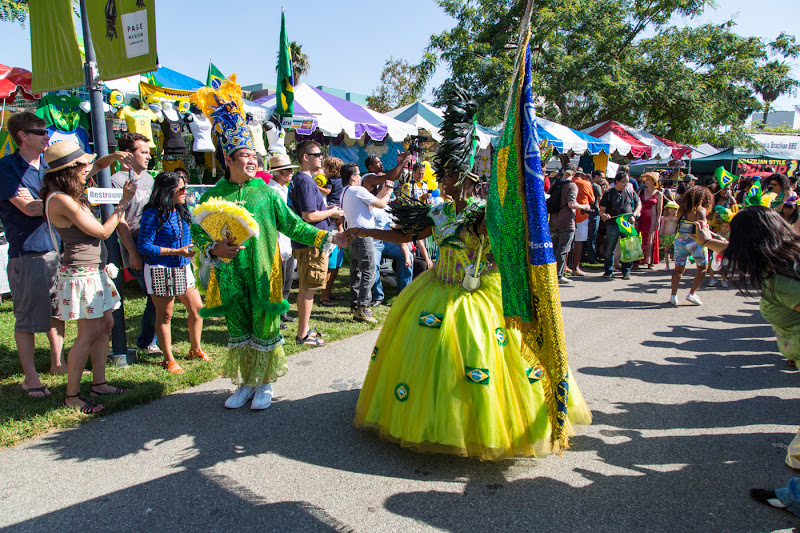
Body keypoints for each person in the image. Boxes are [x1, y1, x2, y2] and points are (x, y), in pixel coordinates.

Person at [352, 88, 591, 460]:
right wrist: (367, 231)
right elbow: (408, 234)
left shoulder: (486, 212)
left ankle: (483, 425)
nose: (442, 181)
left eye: (448, 175)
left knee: (480, 359)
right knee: (436, 360)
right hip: (438, 287)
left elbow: (511, 236)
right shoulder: (439, 211)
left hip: (482, 295)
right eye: (441, 174)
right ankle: (433, 420)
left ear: (465, 176)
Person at [189, 82, 352, 410]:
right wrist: (212, 250)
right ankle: (246, 383)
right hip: (231, 275)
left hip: (265, 271)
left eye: (253, 155)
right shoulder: (211, 197)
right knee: (239, 328)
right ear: (228, 159)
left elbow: (293, 225)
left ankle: (265, 384)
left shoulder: (265, 193)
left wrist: (329, 237)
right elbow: (197, 235)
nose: (251, 161)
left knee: (265, 327)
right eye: (244, 156)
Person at [41, 141, 136, 413]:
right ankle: (72, 395)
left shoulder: (67, 188)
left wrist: (113, 157)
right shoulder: (61, 199)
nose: (88, 170)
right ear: (70, 170)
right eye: (83, 166)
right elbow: (103, 232)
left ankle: (99, 382)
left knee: (105, 325)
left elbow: (100, 165)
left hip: (93, 270)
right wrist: (123, 203)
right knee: (89, 333)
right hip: (80, 274)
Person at [0, 112, 66, 396]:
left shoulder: (48, 166)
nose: (46, 135)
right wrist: (67, 203)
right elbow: (27, 207)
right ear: (21, 136)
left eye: (46, 130)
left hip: (55, 250)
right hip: (28, 254)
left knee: (57, 312)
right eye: (39, 131)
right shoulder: (7, 167)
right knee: (27, 319)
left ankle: (58, 363)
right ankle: (30, 378)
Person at [138, 172, 208, 375]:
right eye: (181, 189)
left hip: (183, 267)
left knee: (197, 309)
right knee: (165, 315)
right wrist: (177, 251)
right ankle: (168, 359)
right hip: (160, 267)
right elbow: (144, 246)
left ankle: (196, 349)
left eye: (186, 188)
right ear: (167, 191)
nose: (186, 192)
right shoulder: (152, 213)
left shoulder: (181, 210)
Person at [288, 140, 345, 345]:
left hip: (310, 242)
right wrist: (333, 211)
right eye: (317, 154)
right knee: (309, 289)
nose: (321, 157)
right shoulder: (304, 180)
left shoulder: (304, 180)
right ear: (305, 157)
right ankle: (302, 335)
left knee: (307, 287)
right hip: (311, 243)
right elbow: (309, 216)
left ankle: (303, 332)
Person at [110, 132, 160, 355]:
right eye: (144, 152)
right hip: (135, 244)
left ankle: (148, 339)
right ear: (128, 155)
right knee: (154, 294)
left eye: (149, 152)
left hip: (155, 243)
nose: (149, 156)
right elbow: (119, 220)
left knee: (159, 293)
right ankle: (148, 341)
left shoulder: (149, 178)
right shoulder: (116, 181)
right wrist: (131, 252)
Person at [341, 162, 392, 323]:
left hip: (354, 233)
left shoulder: (346, 191)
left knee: (356, 270)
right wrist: (389, 192)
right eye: (358, 173)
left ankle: (356, 305)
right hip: (364, 235)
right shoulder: (358, 190)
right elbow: (381, 204)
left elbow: (368, 207)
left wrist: (382, 191)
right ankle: (364, 308)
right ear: (353, 176)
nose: (360, 176)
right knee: (369, 270)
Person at [266, 154, 299, 328]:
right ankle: (274, 316)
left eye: (292, 170)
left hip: (287, 241)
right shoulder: (270, 191)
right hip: (277, 241)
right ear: (278, 173)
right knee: (277, 282)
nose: (291, 173)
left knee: (287, 280)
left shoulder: (284, 189)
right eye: (287, 170)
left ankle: (282, 312)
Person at [669, 186, 713, 306]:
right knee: (702, 269)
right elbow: (703, 228)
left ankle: (673, 295)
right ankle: (692, 293)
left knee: (678, 270)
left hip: (681, 240)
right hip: (696, 241)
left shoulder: (682, 210)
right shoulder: (700, 210)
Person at [599, 172, 641, 280]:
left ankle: (626, 271)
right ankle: (608, 270)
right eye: (624, 182)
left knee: (628, 247)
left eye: (627, 182)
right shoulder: (609, 193)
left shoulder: (630, 191)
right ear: (617, 181)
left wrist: (634, 215)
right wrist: (605, 215)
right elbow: (602, 210)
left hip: (627, 223)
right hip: (612, 223)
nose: (626, 184)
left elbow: (639, 204)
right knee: (609, 248)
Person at [553, 170, 590, 284]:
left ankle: (551, 274)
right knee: (563, 249)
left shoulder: (556, 183)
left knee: (554, 249)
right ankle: (558, 275)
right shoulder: (571, 185)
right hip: (567, 221)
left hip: (554, 220)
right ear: (574, 174)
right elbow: (571, 204)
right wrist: (585, 207)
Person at [320, 157, 345, 307]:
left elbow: (327, 191)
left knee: (333, 264)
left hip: (333, 211)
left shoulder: (329, 181)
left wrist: (315, 186)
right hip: (338, 214)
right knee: (332, 264)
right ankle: (326, 293)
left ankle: (326, 294)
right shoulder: (342, 181)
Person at [570, 171, 595, 276]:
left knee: (567, 242)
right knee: (579, 242)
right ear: (582, 175)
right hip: (582, 215)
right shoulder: (586, 183)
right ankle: (576, 267)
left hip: (569, 215)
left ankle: (565, 266)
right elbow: (592, 200)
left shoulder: (568, 182)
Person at [637, 171, 663, 269]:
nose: (646, 181)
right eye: (646, 179)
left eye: (648, 179)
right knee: (638, 237)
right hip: (640, 217)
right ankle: (636, 260)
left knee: (650, 239)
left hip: (652, 218)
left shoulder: (658, 194)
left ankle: (649, 262)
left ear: (653, 181)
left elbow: (659, 209)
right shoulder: (641, 191)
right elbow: (636, 202)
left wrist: (658, 221)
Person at [585, 170, 604, 263]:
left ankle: (582, 257)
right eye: (602, 177)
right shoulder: (596, 187)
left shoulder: (586, 184)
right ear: (596, 176)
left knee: (584, 236)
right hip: (595, 212)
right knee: (592, 237)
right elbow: (601, 201)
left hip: (585, 212)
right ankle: (591, 258)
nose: (603, 179)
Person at [660, 200, 679, 271]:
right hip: (666, 235)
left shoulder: (676, 218)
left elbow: (678, 227)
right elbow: (662, 227)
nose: (672, 210)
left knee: (675, 251)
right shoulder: (665, 218)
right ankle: (667, 266)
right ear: (668, 209)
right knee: (666, 251)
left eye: (674, 209)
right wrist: (661, 236)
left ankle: (676, 265)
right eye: (670, 208)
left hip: (674, 236)